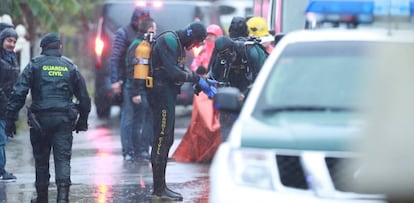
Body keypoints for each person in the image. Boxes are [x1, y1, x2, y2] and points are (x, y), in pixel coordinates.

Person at [4, 32, 91, 203]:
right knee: (63, 159)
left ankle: (42, 198)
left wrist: (10, 119)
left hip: (39, 122)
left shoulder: (34, 65)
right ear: (60, 47)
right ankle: (63, 198)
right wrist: (82, 120)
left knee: (41, 160)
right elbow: (84, 98)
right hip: (63, 120)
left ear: (42, 48)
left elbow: (18, 92)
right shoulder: (70, 66)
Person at [148, 21, 217, 201]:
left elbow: (181, 69)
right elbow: (173, 72)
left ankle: (161, 187)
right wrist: (196, 79)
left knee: (167, 139)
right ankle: (158, 189)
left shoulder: (178, 44)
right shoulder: (168, 41)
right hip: (161, 94)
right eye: (196, 42)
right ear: (190, 35)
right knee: (162, 138)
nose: (195, 46)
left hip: (168, 94)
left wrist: (200, 81)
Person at [172, 24, 224, 163]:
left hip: (217, 89)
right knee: (201, 123)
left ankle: (215, 152)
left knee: (218, 124)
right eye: (208, 36)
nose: (209, 39)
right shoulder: (201, 52)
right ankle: (202, 151)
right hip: (203, 92)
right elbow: (193, 66)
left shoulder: (222, 52)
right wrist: (199, 70)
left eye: (212, 36)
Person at [208, 35, 268, 141]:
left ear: (233, 50)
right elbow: (213, 76)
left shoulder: (251, 52)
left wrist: (246, 94)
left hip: (254, 87)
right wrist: (205, 83)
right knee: (226, 121)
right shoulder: (220, 57)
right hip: (233, 89)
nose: (231, 61)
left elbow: (264, 79)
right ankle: (228, 145)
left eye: (231, 58)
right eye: (227, 60)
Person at [110, 7, 150, 161]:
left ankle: (140, 150)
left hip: (142, 82)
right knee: (128, 117)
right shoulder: (124, 33)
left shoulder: (146, 34)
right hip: (127, 80)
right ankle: (128, 151)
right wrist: (115, 81)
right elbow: (115, 58)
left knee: (141, 118)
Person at [124, 17, 157, 161]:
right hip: (136, 88)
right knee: (137, 121)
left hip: (143, 88)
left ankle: (141, 150)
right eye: (154, 30)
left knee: (144, 120)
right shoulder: (138, 47)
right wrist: (135, 92)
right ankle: (136, 151)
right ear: (149, 30)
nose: (155, 33)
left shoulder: (144, 45)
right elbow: (133, 70)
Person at [0, 28, 19, 182]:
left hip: (6, 106)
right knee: (1, 140)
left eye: (14, 41)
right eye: (9, 41)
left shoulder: (12, 58)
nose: (12, 44)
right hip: (1, 105)